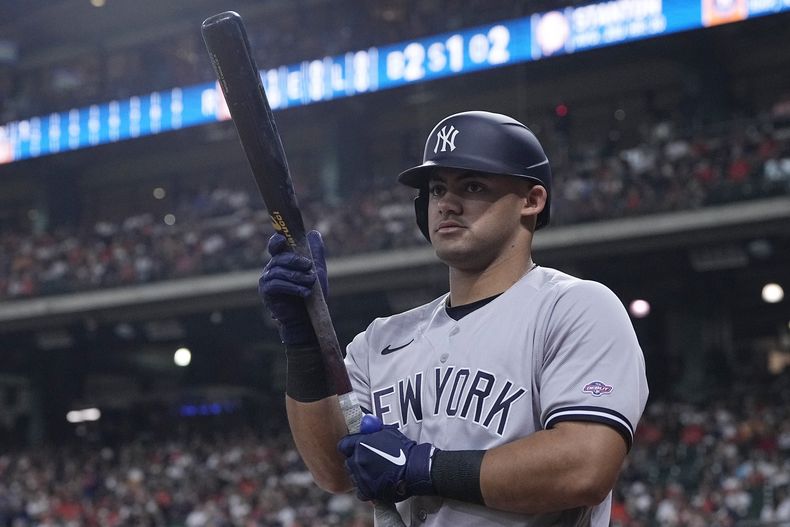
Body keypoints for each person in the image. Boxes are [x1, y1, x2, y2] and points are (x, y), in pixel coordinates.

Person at [260, 111, 649, 526]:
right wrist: (302, 343)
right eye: (437, 188)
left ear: (532, 201)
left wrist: (425, 469)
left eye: (474, 185)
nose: (446, 202)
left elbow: (585, 467)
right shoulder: (380, 340)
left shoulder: (573, 307)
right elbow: (334, 471)